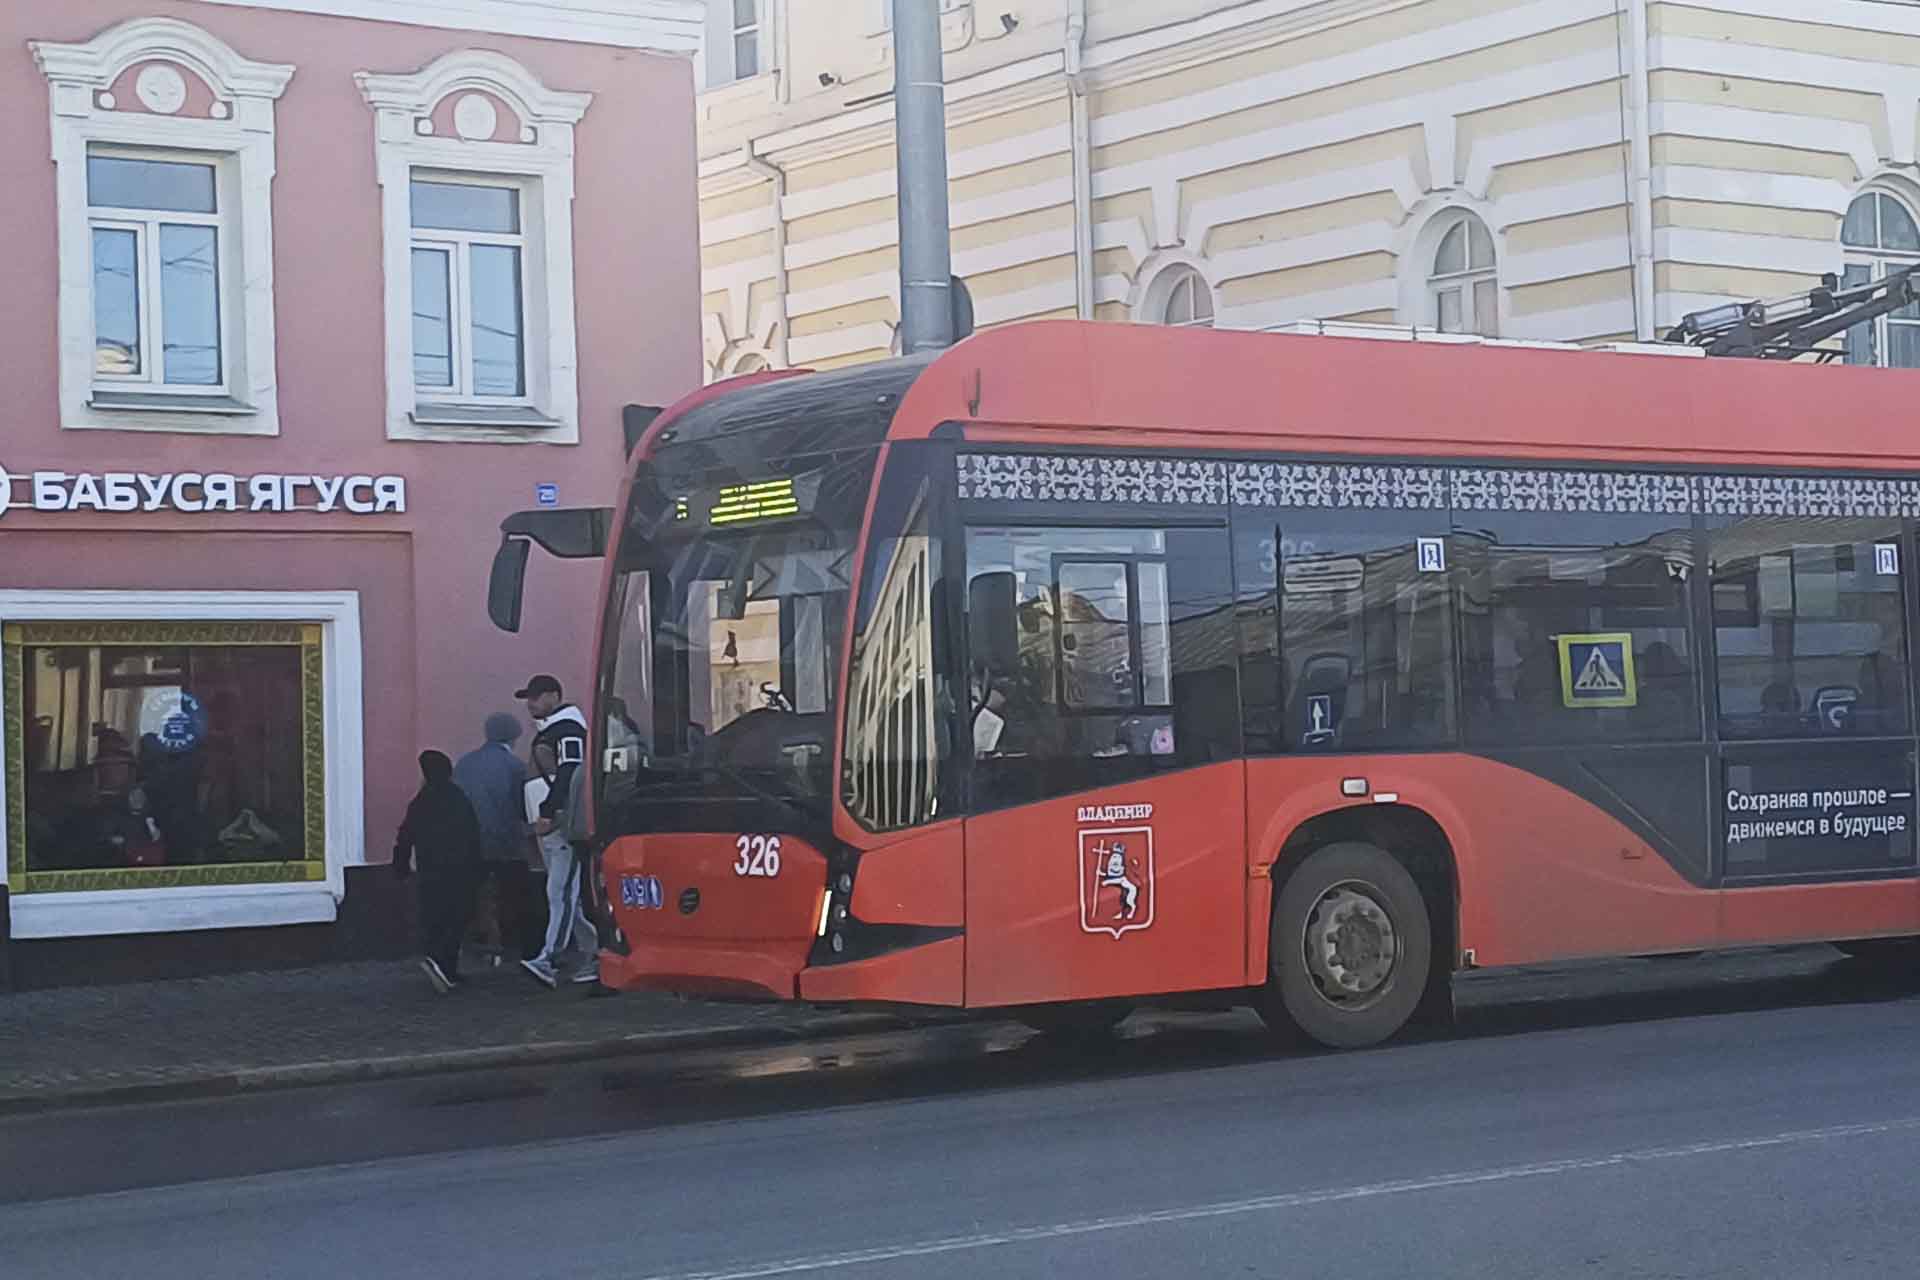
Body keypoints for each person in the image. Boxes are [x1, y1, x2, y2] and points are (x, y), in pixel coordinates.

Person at [517, 676, 598, 988]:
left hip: (562, 824)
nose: (530, 704)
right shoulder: (554, 731)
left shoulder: (567, 730)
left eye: (536, 698)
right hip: (551, 826)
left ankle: (549, 958)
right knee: (566, 897)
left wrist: (549, 812)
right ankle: (596, 952)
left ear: (553, 696)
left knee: (560, 893)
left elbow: (570, 773)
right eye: (528, 698)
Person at [393, 750, 483, 994]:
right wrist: (477, 867)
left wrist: (400, 865)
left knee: (434, 915)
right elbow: (472, 834)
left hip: (429, 869)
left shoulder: (422, 800)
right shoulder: (457, 798)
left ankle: (439, 961)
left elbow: (405, 833)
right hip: (459, 870)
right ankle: (444, 964)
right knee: (456, 917)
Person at [454, 713, 534, 964]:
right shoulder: (515, 766)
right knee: (516, 896)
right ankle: (520, 948)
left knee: (473, 895)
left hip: (469, 843)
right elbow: (523, 807)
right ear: (514, 736)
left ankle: (475, 943)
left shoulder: (465, 763)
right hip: (506, 842)